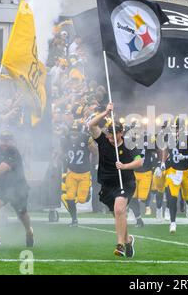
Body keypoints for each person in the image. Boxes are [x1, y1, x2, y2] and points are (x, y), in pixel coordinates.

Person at [88, 103, 143, 258]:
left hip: (124, 182)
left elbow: (139, 161)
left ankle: (120, 245)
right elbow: (91, 124)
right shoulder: (103, 140)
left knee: (120, 210)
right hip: (107, 184)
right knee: (118, 216)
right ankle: (128, 240)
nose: (110, 137)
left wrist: (125, 166)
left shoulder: (129, 145)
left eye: (113, 134)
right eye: (108, 134)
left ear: (121, 133)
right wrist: (105, 112)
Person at [160, 117, 188, 233]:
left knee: (186, 196)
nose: (175, 130)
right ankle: (173, 223)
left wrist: (186, 156)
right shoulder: (169, 137)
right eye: (175, 128)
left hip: (186, 171)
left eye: (177, 127)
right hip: (173, 170)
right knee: (172, 197)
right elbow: (165, 150)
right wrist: (163, 162)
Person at [61, 121, 97, 227]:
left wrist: (91, 144)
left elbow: (95, 152)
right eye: (72, 130)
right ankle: (74, 220)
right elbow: (62, 152)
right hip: (71, 172)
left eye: (76, 131)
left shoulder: (85, 138)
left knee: (82, 200)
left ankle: (87, 195)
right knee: (70, 198)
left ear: (79, 131)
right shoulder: (65, 139)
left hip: (84, 172)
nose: (74, 133)